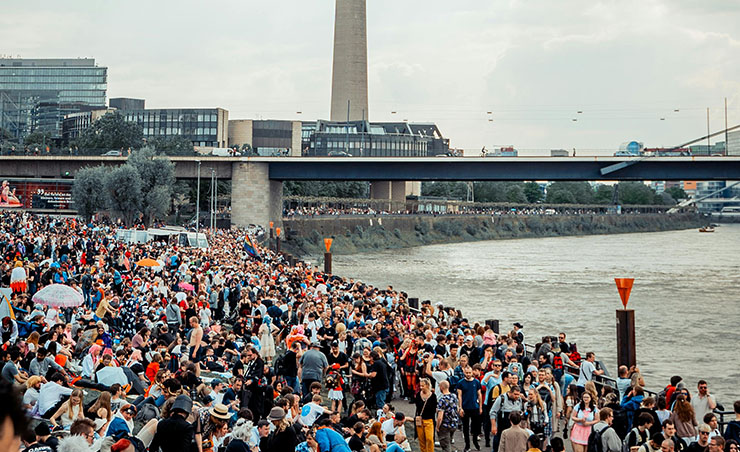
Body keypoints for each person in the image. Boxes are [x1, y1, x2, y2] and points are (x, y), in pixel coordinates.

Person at [457, 365, 483, 452]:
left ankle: (475, 441)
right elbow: (459, 396)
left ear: (472, 373)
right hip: (465, 407)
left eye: (469, 373)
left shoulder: (476, 382)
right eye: (466, 373)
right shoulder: (461, 383)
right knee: (465, 428)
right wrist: (460, 408)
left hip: (474, 407)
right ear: (464, 372)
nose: (468, 374)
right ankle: (467, 445)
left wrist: (480, 407)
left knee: (475, 427)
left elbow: (479, 395)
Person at [436, 380, 461, 452]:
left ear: (441, 387)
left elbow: (440, 417)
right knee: (449, 441)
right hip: (454, 423)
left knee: (446, 446)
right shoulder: (454, 396)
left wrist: (437, 426)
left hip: (445, 425)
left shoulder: (442, 400)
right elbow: (457, 408)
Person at [414, 378, 436, 452]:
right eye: (420, 386)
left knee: (429, 439)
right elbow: (417, 406)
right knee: (421, 440)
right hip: (420, 420)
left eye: (423, 386)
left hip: (429, 420)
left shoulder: (433, 396)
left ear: (427, 385)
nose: (421, 387)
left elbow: (434, 409)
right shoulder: (418, 395)